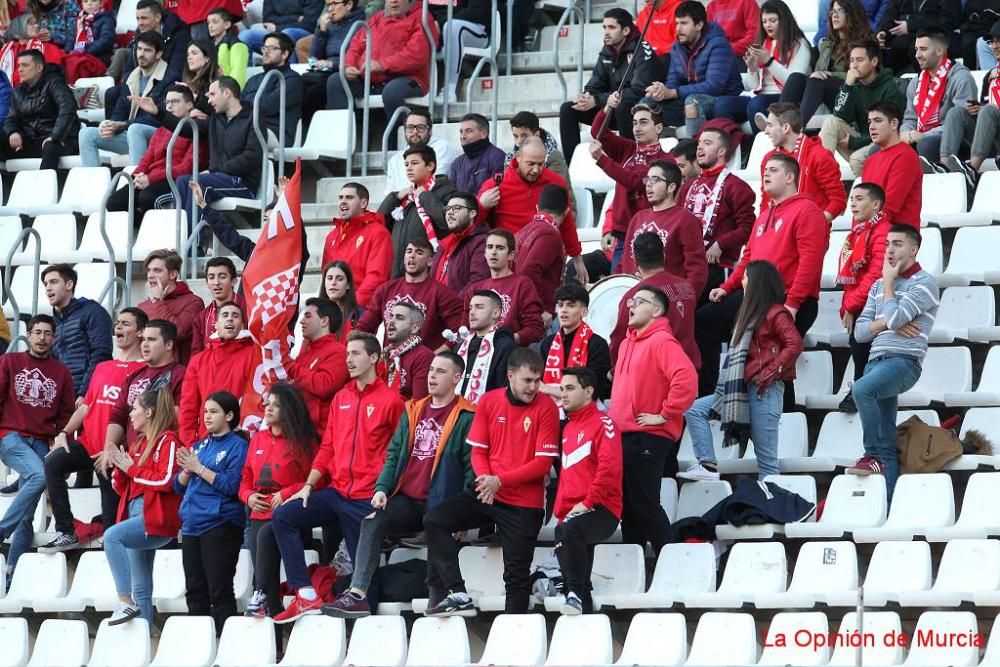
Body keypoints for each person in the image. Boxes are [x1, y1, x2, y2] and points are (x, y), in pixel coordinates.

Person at [322, 351, 475, 618]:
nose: (432, 376)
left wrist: (461, 514)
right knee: (372, 520)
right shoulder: (413, 409)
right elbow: (394, 454)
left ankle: (438, 612)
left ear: (456, 378)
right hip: (408, 500)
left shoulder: (466, 415)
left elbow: (471, 467)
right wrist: (381, 488)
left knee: (435, 567)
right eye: (431, 370)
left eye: (440, 371)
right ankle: (357, 594)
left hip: (441, 505)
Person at [271, 332, 404, 623]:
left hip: (366, 499)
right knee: (283, 517)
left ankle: (367, 637)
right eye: (347, 354)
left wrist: (385, 490)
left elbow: (399, 452)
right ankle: (304, 594)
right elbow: (328, 446)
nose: (349, 360)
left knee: (362, 576)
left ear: (373, 358)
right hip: (336, 492)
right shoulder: (341, 397)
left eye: (355, 354)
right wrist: (308, 485)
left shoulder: (391, 401)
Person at [422, 348, 558, 616]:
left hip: (523, 505)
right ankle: (457, 591)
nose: (533, 387)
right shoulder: (489, 401)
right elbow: (478, 451)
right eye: (527, 380)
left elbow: (543, 464)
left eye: (537, 381)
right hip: (488, 492)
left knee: (516, 580)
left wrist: (499, 481)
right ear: (510, 375)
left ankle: (512, 644)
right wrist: (486, 481)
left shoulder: (547, 407)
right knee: (434, 520)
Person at [698, 154, 827, 397]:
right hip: (755, 299)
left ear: (790, 177)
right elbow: (748, 257)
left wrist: (793, 303)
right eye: (765, 169)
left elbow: (810, 262)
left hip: (787, 299)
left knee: (774, 363)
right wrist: (727, 287)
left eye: (773, 170)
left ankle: (785, 421)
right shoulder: (765, 214)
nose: (766, 174)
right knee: (704, 321)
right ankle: (708, 396)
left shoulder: (808, 211)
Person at [680, 260, 802, 481]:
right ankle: (707, 464)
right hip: (743, 390)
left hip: (765, 391)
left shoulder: (776, 312)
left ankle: (773, 507)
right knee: (695, 409)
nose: (742, 282)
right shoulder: (748, 315)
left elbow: (794, 344)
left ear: (757, 283)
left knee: (766, 462)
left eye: (746, 277)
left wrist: (768, 374)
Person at [38, 308, 147, 554]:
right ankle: (65, 530)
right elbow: (86, 406)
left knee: (112, 527)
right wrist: (64, 433)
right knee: (52, 462)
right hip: (88, 444)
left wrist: (115, 450)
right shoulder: (102, 367)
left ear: (140, 332)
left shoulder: (144, 371)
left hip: (114, 454)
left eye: (126, 323)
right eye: (117, 323)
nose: (118, 327)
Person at [847, 224, 939, 500]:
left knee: (861, 389)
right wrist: (888, 322)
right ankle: (888, 507)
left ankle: (870, 454)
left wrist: (889, 286)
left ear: (913, 249)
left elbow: (896, 320)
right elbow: (860, 333)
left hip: (903, 362)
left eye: (897, 244)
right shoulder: (876, 285)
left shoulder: (924, 282)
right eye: (888, 243)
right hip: (876, 360)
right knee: (888, 443)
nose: (889, 249)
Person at [610, 287, 696, 555]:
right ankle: (632, 566)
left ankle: (672, 563)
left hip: (648, 435)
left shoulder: (662, 342)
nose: (631, 306)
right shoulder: (627, 343)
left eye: (638, 301)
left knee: (645, 504)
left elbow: (686, 379)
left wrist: (665, 413)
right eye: (630, 301)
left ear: (656, 310)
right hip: (624, 435)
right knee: (629, 509)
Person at [0, 315, 75, 574]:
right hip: (12, 436)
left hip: (43, 441)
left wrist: (61, 445)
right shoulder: (10, 361)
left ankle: (10, 573)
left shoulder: (61, 372)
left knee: (27, 518)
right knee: (37, 475)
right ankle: (1, 530)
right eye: (37, 332)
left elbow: (66, 415)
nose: (42, 337)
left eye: (47, 333)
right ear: (29, 335)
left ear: (54, 338)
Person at [104, 388, 182, 626]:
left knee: (111, 537)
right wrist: (119, 468)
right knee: (141, 587)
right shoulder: (138, 442)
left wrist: (131, 470)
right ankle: (145, 642)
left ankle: (124, 601)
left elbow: (167, 481)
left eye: (134, 409)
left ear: (148, 412)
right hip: (134, 511)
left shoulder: (168, 440)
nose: (130, 414)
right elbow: (124, 487)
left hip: (154, 516)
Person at [240, 383, 316, 620]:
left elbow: (314, 481)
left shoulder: (304, 441)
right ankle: (276, 646)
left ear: (289, 409)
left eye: (276, 405)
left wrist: (284, 494)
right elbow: (245, 478)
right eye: (267, 403)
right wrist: (249, 497)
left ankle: (260, 592)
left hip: (290, 513)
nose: (268, 408)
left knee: (266, 545)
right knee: (268, 580)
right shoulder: (258, 439)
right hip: (257, 514)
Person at [173, 391, 249, 629]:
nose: (207, 416)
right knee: (195, 591)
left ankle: (227, 649)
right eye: (205, 411)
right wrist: (187, 469)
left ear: (229, 415)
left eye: (213, 412)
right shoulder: (200, 445)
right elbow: (177, 486)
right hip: (192, 525)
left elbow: (232, 486)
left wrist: (198, 467)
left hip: (221, 524)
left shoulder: (239, 446)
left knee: (220, 590)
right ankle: (199, 650)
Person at [553, 367, 622, 615]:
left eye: (569, 388)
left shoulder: (604, 423)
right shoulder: (568, 428)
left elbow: (610, 468)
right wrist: (563, 510)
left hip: (601, 508)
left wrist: (588, 502)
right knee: (564, 532)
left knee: (569, 530)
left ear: (589, 391)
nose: (563, 394)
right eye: (561, 389)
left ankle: (572, 594)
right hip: (573, 513)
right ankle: (583, 602)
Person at [478, 137, 587, 283]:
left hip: (545, 261)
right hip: (508, 263)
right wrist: (482, 206)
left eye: (540, 164)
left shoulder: (556, 182)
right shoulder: (496, 185)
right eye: (530, 164)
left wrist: (578, 260)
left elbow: (566, 222)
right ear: (518, 158)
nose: (536, 170)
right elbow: (475, 227)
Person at [334, 0, 439, 151]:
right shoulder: (376, 18)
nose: (393, 1)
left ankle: (396, 147)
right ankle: (342, 146)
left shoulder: (422, 18)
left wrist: (382, 64)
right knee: (337, 82)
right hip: (370, 80)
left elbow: (416, 55)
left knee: (392, 92)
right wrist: (349, 66)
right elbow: (356, 45)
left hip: (410, 78)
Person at [589, 100, 673, 268]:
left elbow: (635, 180)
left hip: (652, 235)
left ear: (658, 128)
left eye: (643, 122)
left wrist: (602, 160)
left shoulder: (666, 161)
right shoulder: (627, 149)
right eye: (634, 123)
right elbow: (598, 131)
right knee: (620, 286)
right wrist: (608, 107)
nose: (636, 128)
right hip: (623, 234)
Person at [98, 320, 187, 479]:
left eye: (152, 340)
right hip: (129, 456)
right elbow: (118, 415)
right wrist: (108, 450)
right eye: (143, 339)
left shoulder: (181, 375)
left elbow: (180, 415)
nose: (144, 345)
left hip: (156, 458)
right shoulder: (133, 376)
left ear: (168, 345)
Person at [677, 126, 755, 297]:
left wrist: (721, 243)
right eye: (699, 143)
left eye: (707, 143)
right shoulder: (688, 186)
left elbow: (748, 229)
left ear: (721, 151)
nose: (699, 147)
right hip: (684, 265)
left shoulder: (737, 187)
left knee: (700, 317)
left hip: (716, 267)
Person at [106, 85, 205, 220]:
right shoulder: (160, 130)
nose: (169, 106)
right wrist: (137, 176)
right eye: (167, 102)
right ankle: (143, 230)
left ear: (189, 105)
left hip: (174, 180)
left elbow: (186, 168)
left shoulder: (197, 128)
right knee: (113, 203)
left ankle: (159, 235)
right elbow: (147, 159)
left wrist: (150, 178)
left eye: (175, 102)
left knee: (147, 197)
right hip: (152, 177)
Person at [175, 77, 264, 224]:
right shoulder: (217, 119)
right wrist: (158, 113)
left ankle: (194, 243)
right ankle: (184, 238)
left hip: (243, 183)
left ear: (227, 93)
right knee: (182, 181)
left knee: (196, 183)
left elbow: (252, 156)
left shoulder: (253, 118)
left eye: (212, 94)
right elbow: (187, 129)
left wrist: (215, 169)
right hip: (220, 178)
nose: (209, 100)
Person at [647, 1, 743, 134]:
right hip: (688, 97)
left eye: (684, 23)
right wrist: (661, 91)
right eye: (677, 23)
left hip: (723, 98)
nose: (678, 29)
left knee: (692, 103)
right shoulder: (677, 48)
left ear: (699, 25)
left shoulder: (718, 44)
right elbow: (673, 81)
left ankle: (692, 151)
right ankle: (652, 152)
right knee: (646, 104)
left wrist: (674, 93)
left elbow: (714, 86)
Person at [836, 182, 890, 413]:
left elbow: (877, 273)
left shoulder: (883, 231)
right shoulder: (859, 232)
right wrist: (849, 305)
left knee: (863, 351)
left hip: (875, 305)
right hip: (860, 303)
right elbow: (854, 276)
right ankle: (859, 390)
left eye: (859, 199)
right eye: (851, 199)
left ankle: (859, 391)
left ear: (876, 204)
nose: (853, 204)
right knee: (860, 350)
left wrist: (850, 304)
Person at [79, 31, 171, 168]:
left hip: (158, 137)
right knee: (86, 134)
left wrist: (124, 125)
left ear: (158, 54)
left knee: (135, 129)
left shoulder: (168, 78)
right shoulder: (131, 78)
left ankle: (136, 183)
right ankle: (93, 185)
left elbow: (159, 118)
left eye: (147, 50)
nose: (141, 54)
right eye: (139, 49)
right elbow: (120, 108)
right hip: (132, 134)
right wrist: (111, 124)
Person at [559, 8, 641, 158]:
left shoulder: (639, 50)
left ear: (626, 30)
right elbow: (596, 81)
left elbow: (636, 91)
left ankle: (630, 162)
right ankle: (572, 168)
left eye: (611, 27)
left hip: (630, 110)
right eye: (604, 27)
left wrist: (597, 100)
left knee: (623, 105)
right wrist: (587, 95)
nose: (606, 32)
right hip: (609, 109)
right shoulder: (607, 50)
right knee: (568, 109)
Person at [611, 232, 700, 369]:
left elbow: (619, 338)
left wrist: (613, 369)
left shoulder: (633, 297)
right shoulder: (687, 286)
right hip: (689, 366)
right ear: (664, 256)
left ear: (635, 261)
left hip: (656, 372)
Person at [819, 38, 906, 176]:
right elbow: (840, 115)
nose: (854, 65)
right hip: (863, 141)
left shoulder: (890, 89)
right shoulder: (854, 86)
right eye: (852, 60)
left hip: (885, 145)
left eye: (859, 60)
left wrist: (854, 142)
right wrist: (847, 86)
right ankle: (823, 176)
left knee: (856, 159)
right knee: (831, 122)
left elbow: (890, 131)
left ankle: (870, 194)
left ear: (874, 62)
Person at [620, 161, 708, 295]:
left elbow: (697, 270)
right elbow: (624, 262)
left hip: (666, 300)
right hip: (633, 299)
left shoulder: (685, 219)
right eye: (647, 179)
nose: (648, 184)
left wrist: (683, 301)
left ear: (671, 187)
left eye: (655, 180)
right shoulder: (638, 218)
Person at [358, 239, 464, 350]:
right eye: (409, 251)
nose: (412, 255)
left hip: (423, 366)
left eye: (419, 252)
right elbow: (364, 327)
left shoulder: (442, 294)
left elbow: (460, 333)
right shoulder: (386, 289)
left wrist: (433, 358)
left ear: (430, 262)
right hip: (389, 364)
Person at [779, 0, 872, 127]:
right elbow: (819, 72)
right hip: (829, 92)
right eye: (833, 11)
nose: (835, 15)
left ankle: (796, 129)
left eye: (840, 11)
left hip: (854, 95)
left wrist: (831, 74)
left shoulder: (866, 43)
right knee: (796, 78)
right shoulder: (827, 44)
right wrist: (821, 74)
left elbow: (864, 76)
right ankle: (779, 124)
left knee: (819, 81)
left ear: (853, 14)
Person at [726, 0, 812, 131]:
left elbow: (794, 82)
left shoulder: (799, 44)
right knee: (723, 105)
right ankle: (736, 146)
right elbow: (754, 86)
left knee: (756, 104)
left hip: (785, 98)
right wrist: (752, 68)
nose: (768, 25)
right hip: (760, 96)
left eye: (772, 20)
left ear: (784, 20)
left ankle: (764, 145)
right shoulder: (763, 43)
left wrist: (769, 61)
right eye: (764, 21)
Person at [178, 302, 255, 444]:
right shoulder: (198, 361)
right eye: (225, 315)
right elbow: (188, 408)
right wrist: (190, 444)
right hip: (207, 442)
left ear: (243, 325)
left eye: (235, 315)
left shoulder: (254, 355)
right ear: (216, 324)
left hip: (242, 440)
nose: (230, 319)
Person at [758, 102, 848, 222]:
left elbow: (838, 199)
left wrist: (816, 223)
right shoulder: (768, 159)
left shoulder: (819, 155)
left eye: (770, 125)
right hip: (777, 234)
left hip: (809, 234)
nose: (766, 131)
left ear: (786, 128)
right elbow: (766, 201)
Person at [899, 27, 976, 167]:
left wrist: (923, 135)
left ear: (939, 51)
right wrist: (905, 134)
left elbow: (961, 122)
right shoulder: (915, 83)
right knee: (883, 148)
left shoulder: (961, 78)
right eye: (916, 49)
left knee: (927, 144)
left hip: (959, 142)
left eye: (923, 49)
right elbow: (910, 118)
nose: (917, 55)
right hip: (922, 138)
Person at [379, 145, 457, 278]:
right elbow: (378, 223)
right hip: (398, 276)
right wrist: (395, 197)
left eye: (414, 163)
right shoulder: (405, 199)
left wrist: (424, 197)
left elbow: (447, 221)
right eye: (406, 164)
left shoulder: (447, 191)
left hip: (429, 275)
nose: (409, 168)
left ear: (430, 166)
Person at [938, 19, 1000, 186]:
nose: (994, 46)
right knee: (957, 112)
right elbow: (988, 109)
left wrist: (987, 110)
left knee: (988, 111)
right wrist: (978, 109)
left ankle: (972, 169)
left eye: (999, 41)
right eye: (992, 42)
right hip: (992, 137)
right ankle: (944, 167)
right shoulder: (991, 75)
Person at [1, 49, 79, 170]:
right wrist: (13, 132)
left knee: (50, 146)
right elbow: (11, 119)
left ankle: (43, 186)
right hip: (32, 141)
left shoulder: (55, 83)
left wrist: (55, 136)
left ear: (39, 67)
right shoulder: (18, 91)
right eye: (18, 65)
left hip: (61, 139)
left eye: (25, 65)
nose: (20, 69)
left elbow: (68, 108)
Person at [464, 229, 545, 345]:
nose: (494, 252)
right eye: (490, 247)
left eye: (500, 248)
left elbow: (535, 329)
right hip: (475, 352)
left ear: (511, 255)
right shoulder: (474, 289)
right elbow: (464, 327)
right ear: (485, 253)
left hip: (507, 353)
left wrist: (503, 341)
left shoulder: (522, 284)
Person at [44, 263, 112, 398]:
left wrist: (85, 393)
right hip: (61, 396)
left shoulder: (93, 311)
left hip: (87, 396)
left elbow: (101, 353)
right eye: (45, 284)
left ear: (69, 285)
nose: (48, 288)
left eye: (53, 282)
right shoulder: (52, 322)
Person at [321, 182, 392, 308]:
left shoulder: (378, 233)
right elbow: (325, 274)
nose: (343, 201)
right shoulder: (332, 236)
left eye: (349, 197)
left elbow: (377, 276)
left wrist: (352, 306)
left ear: (363, 203)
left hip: (360, 310)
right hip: (334, 310)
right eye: (340, 198)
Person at [287, 297, 350, 433]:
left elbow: (324, 385)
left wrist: (290, 366)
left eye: (308, 316)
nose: (302, 321)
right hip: (298, 430)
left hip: (319, 435)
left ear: (324, 321)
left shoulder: (338, 352)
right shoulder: (306, 352)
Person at [539, 284, 612, 402]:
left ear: (584, 312)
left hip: (585, 413)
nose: (563, 310)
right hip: (550, 409)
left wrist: (548, 389)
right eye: (560, 305)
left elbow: (593, 390)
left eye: (571, 305)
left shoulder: (597, 344)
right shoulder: (547, 343)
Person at [137, 249, 206, 365]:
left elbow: (177, 333)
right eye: (148, 271)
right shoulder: (143, 306)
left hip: (178, 375)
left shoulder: (194, 302)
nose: (150, 276)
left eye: (157, 271)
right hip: (146, 374)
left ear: (173, 274)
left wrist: (159, 302)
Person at [861, 101, 923, 228]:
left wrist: (864, 229)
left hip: (898, 239)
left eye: (878, 121)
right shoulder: (870, 161)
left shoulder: (906, 156)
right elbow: (863, 205)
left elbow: (890, 205)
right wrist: (855, 238)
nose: (872, 126)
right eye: (869, 122)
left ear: (894, 124)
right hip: (872, 233)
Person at [300, 0, 363, 118]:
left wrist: (331, 64)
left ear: (348, 5)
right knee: (303, 84)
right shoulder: (331, 24)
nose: (330, 9)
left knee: (315, 92)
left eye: (334, 4)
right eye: (329, 5)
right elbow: (314, 57)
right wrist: (321, 31)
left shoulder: (360, 25)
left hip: (349, 73)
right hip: (327, 71)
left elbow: (358, 57)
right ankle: (305, 132)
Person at [514, 184, 569, 318]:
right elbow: (530, 269)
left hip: (517, 306)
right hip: (536, 314)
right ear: (566, 212)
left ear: (537, 208)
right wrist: (539, 309)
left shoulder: (523, 231)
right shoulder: (550, 234)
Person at [453, 290, 517, 403]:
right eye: (471, 308)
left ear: (496, 313)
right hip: (455, 415)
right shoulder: (461, 346)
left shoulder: (506, 346)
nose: (472, 312)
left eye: (479, 307)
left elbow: (502, 389)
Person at [242, 32, 303, 148]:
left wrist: (249, 99)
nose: (265, 52)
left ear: (284, 54)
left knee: (240, 130)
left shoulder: (292, 79)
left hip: (277, 134)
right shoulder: (254, 79)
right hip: (252, 126)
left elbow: (269, 106)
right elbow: (238, 105)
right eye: (264, 48)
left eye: (271, 49)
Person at [876, 0, 959, 73]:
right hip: (900, 39)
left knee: (914, 47)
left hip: (934, 36)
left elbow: (947, 22)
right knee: (874, 47)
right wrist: (882, 32)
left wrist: (911, 25)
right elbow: (890, 14)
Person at [435, 0, 491, 105]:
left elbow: (476, 12)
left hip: (478, 30)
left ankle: (450, 90)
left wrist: (440, 22)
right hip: (443, 28)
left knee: (452, 27)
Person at [503, 111, 573, 193]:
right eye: (515, 136)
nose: (518, 141)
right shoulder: (510, 158)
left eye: (524, 136)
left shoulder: (553, 156)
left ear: (537, 135)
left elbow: (557, 193)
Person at [433, 192, 490, 292]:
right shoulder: (444, 244)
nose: (450, 213)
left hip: (457, 306)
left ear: (472, 214)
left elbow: (477, 283)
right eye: (448, 209)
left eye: (456, 208)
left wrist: (453, 305)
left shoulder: (482, 242)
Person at [381, 302, 435, 400]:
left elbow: (418, 403)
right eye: (391, 316)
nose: (391, 321)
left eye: (399, 318)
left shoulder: (424, 356)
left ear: (414, 328)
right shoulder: (384, 354)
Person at [192, 257, 245, 355]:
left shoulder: (248, 308)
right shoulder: (202, 317)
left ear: (233, 281)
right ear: (207, 283)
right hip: (212, 368)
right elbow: (197, 355)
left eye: (222, 276)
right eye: (211, 277)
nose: (216, 282)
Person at [0, 15, 64, 87]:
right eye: (31, 23)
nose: (37, 26)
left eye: (36, 23)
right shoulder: (7, 50)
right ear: (19, 27)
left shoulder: (48, 48)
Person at [449, 113, 505, 194]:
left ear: (484, 134)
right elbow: (452, 196)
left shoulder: (498, 158)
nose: (463, 136)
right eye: (461, 132)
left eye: (468, 131)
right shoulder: (457, 163)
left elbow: (497, 193)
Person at [238, 0, 321, 53]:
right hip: (274, 30)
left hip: (304, 32)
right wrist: (295, 18)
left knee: (285, 35)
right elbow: (268, 19)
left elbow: (308, 24)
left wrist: (278, 28)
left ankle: (290, 73)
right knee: (244, 36)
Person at [62, 0, 116, 83]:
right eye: (85, 1)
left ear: (101, 3)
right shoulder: (79, 20)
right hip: (79, 54)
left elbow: (106, 40)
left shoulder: (107, 19)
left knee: (79, 63)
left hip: (99, 57)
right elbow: (71, 38)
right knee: (65, 60)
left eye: (93, 1)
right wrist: (68, 51)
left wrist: (85, 51)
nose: (89, 4)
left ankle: (81, 88)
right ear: (82, 5)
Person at [319, 261, 362, 344]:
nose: (333, 283)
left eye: (339, 279)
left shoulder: (359, 315)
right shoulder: (314, 314)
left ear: (348, 285)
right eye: (329, 278)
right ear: (324, 283)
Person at [207, 7, 248, 86]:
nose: (210, 26)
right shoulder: (208, 46)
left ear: (227, 24)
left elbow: (237, 76)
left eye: (214, 22)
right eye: (208, 23)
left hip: (226, 91)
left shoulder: (237, 45)